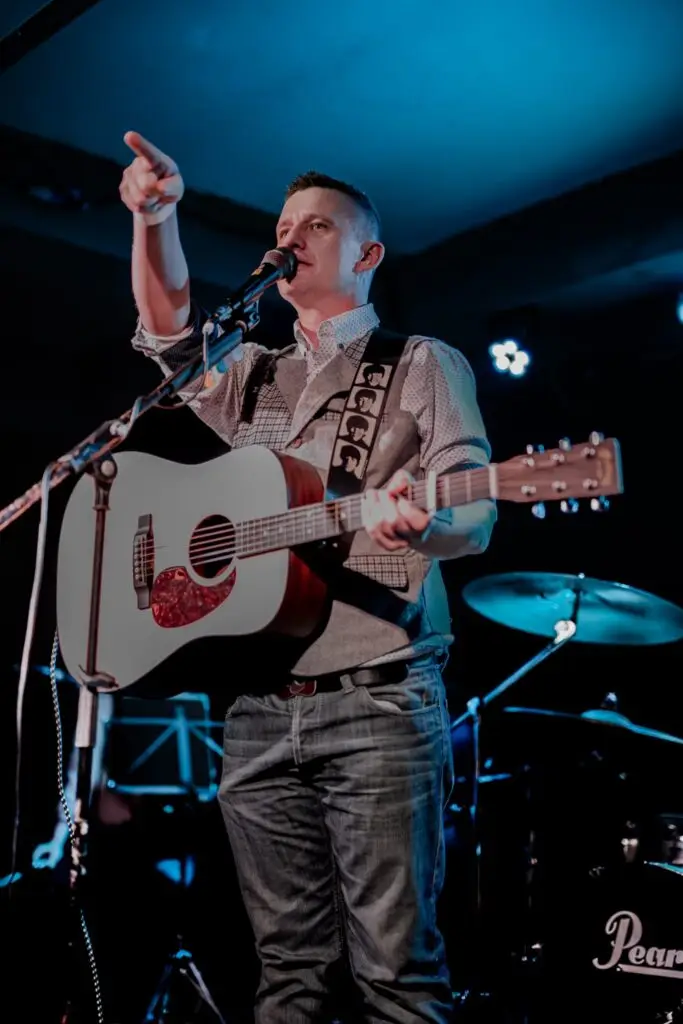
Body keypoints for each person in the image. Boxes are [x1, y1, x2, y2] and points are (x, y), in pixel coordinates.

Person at [119, 129, 496, 1023]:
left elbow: (475, 513)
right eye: (284, 226)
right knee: (285, 977)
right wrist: (154, 218)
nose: (291, 237)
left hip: (378, 699)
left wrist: (429, 521)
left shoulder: (420, 362)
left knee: (395, 976)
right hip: (256, 705)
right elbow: (169, 332)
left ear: (366, 255)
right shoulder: (251, 372)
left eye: (316, 226)